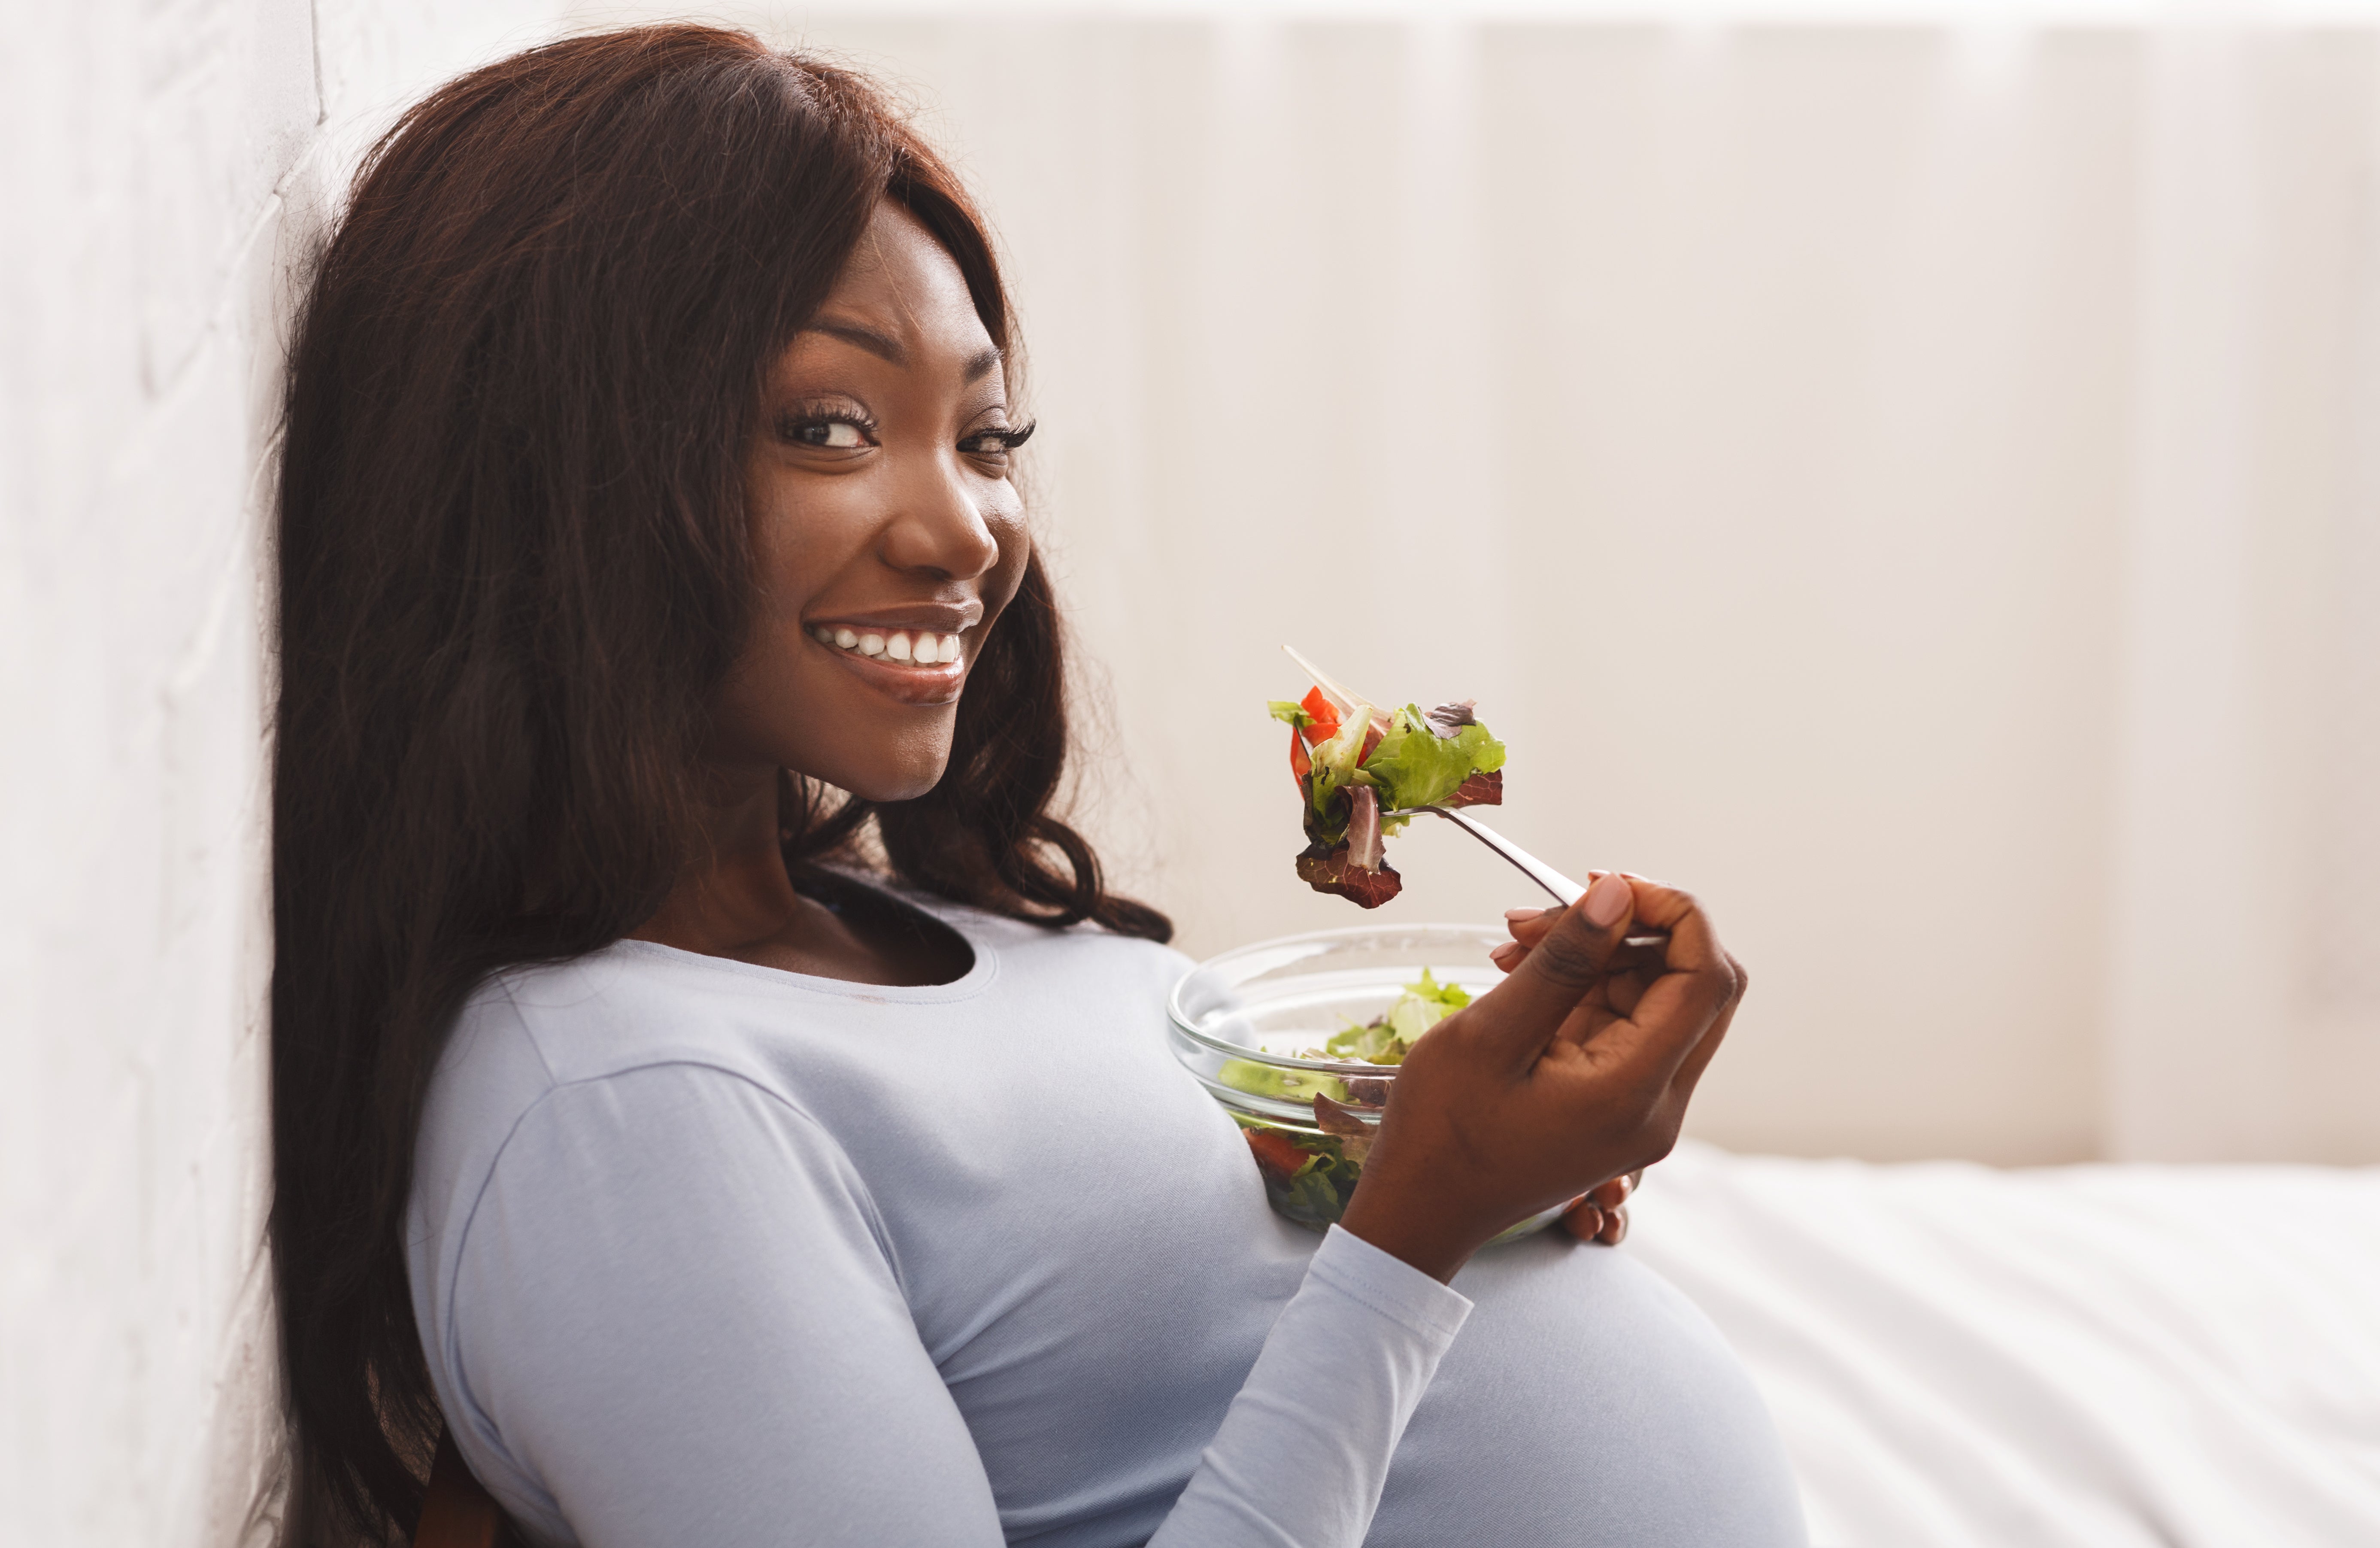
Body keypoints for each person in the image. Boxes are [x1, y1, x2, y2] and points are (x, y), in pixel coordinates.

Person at [269, 24, 1805, 1548]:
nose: (968, 531)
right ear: (550, 468)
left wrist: (1473, 1176)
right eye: (829, 428)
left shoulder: (890, 917)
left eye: (985, 436)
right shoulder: (612, 1109)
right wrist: (1422, 1230)